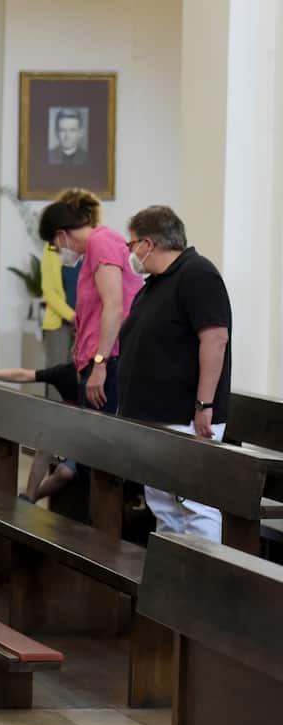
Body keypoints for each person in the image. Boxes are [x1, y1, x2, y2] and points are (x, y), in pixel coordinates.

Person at [119, 205, 232, 541]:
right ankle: (175, 578)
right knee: (164, 505)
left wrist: (203, 404)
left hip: (185, 414)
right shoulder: (157, 283)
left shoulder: (197, 274)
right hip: (155, 417)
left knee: (194, 503)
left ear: (149, 243)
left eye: (132, 244)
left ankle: (203, 582)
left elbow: (215, 338)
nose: (131, 252)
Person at [38, 188, 144, 413]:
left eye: (54, 245)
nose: (58, 251)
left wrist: (99, 364)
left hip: (110, 360)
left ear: (61, 234)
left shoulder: (100, 242)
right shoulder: (94, 248)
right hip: (100, 359)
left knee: (96, 442)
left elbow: (114, 308)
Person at [0, 365, 81, 502]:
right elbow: (23, 374)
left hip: (87, 436)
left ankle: (32, 497)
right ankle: (28, 497)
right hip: (70, 431)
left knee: (65, 472)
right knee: (47, 446)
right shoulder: (66, 372)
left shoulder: (104, 375)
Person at [40, 241, 76, 395]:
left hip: (86, 324)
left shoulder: (90, 245)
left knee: (78, 377)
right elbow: (49, 292)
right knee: (56, 377)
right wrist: (73, 316)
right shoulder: (51, 247)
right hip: (59, 323)